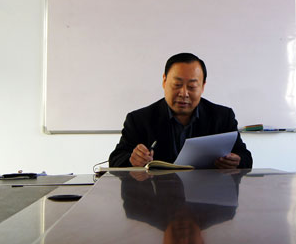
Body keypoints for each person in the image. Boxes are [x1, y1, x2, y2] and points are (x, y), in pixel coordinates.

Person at [108, 53, 252, 169]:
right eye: (177, 85)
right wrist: (132, 160)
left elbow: (245, 157)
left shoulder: (222, 117)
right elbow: (115, 159)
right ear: (164, 81)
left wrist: (236, 160)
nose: (183, 93)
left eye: (192, 87)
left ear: (203, 86)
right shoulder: (139, 119)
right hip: (158, 194)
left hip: (206, 193)